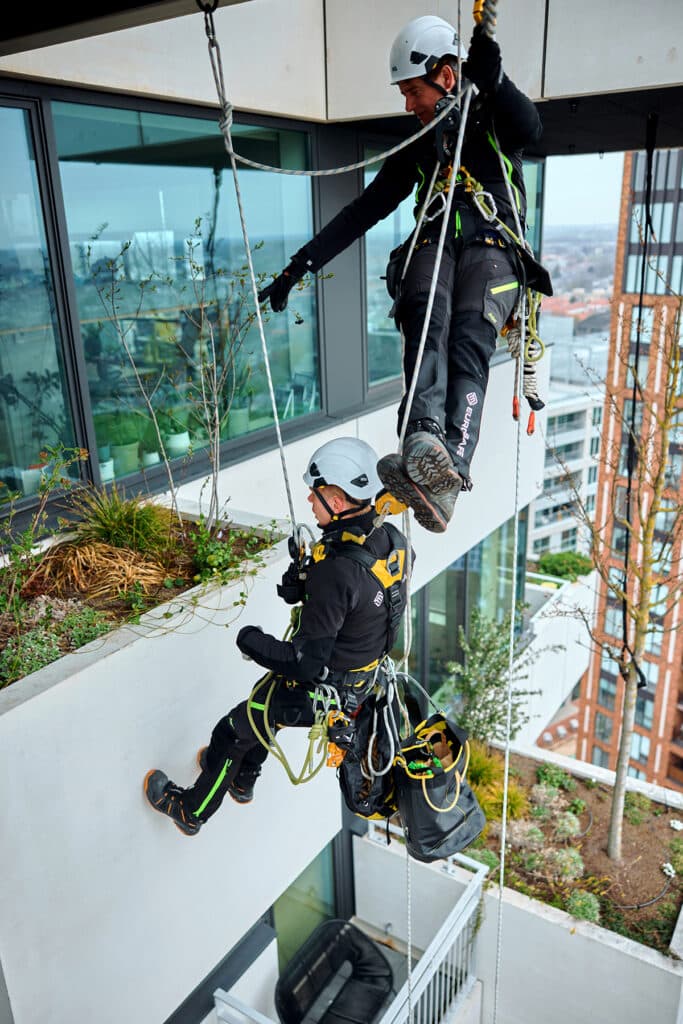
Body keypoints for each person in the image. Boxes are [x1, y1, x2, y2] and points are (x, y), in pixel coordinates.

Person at [258, 14, 546, 533]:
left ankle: (450, 469)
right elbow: (359, 214)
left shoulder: (491, 124)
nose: (408, 104)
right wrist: (296, 269)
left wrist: (496, 80)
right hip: (433, 245)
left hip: (492, 249)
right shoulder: (418, 146)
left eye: (413, 91)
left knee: (467, 342)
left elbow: (529, 125)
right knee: (425, 323)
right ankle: (422, 442)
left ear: (447, 77)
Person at [144, 437, 410, 835]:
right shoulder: (389, 540)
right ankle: (242, 779)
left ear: (338, 502)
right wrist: (306, 581)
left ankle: (191, 810)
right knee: (264, 712)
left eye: (315, 494)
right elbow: (357, 603)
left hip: (324, 689)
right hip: (360, 682)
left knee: (231, 732)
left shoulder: (336, 571)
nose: (309, 501)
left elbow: (305, 665)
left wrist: (251, 641)